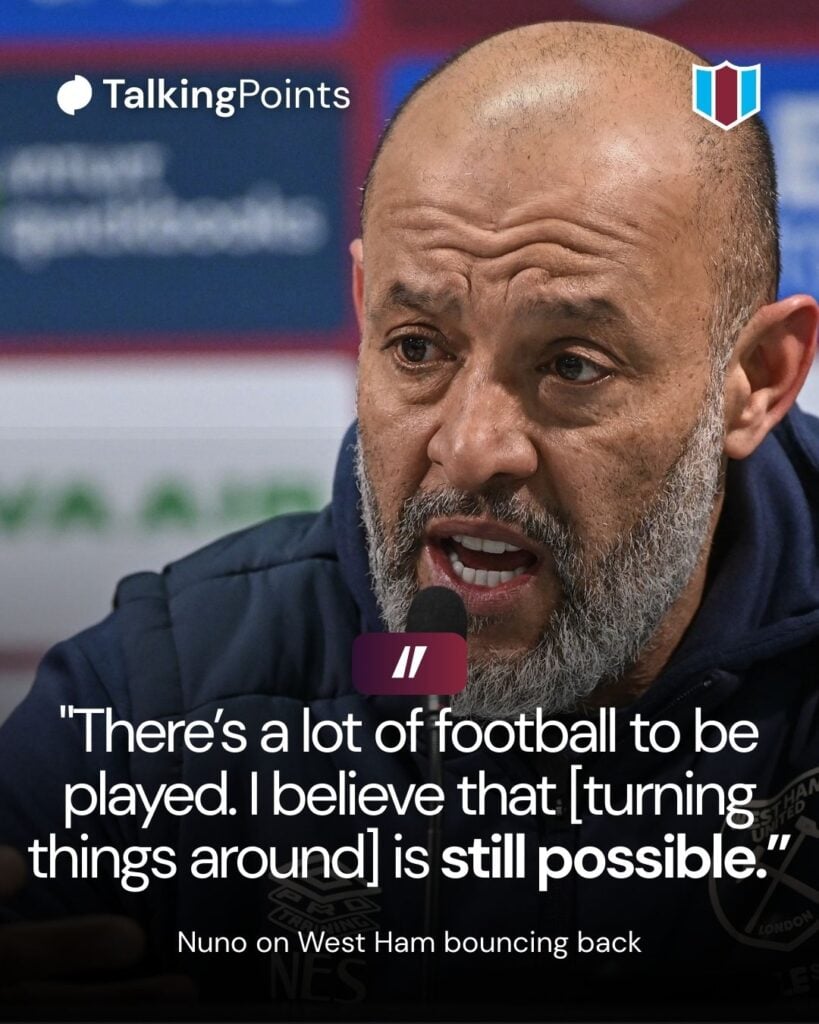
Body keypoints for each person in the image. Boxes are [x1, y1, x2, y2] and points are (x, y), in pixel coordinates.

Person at [1, 19, 818, 1018]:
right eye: (419, 347)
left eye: (570, 364)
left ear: (757, 382)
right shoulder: (161, 699)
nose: (471, 448)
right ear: (361, 312)